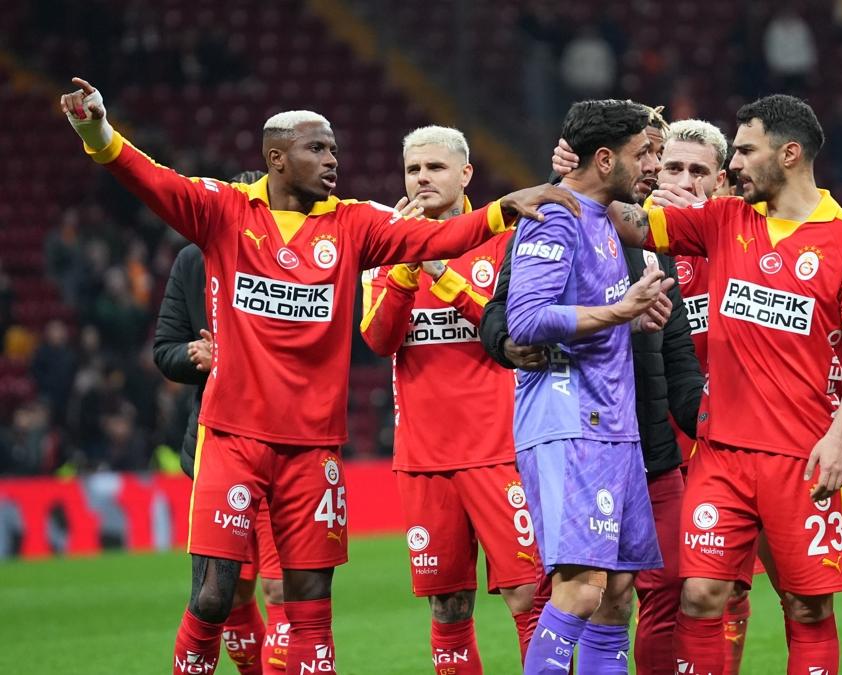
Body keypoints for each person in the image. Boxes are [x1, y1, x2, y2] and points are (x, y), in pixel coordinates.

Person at [61, 76, 577, 675]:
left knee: (309, 607)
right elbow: (151, 178)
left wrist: (503, 209)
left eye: (334, 149)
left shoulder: (356, 223)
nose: (333, 160)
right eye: (317, 149)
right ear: (276, 159)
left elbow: (441, 235)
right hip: (232, 437)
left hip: (314, 449)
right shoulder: (225, 211)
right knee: (213, 597)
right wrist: (97, 130)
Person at [614, 94, 842, 675]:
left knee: (807, 606)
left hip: (803, 455)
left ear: (789, 154)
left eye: (744, 151)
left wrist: (839, 437)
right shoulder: (724, 220)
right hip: (722, 454)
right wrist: (569, 178)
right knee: (699, 595)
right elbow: (626, 221)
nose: (732, 164)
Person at [482, 112, 707, 675]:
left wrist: (632, 321)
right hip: (570, 423)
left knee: (616, 597)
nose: (654, 165)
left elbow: (594, 312)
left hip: (618, 429)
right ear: (605, 159)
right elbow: (524, 319)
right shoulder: (555, 215)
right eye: (644, 154)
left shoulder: (609, 221)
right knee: (581, 590)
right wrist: (620, 311)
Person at [357, 126, 539, 673]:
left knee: (529, 594)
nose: (422, 179)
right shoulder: (383, 249)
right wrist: (407, 265)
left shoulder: (503, 241)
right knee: (447, 605)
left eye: (435, 168)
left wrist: (443, 274)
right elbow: (378, 339)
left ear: (465, 174)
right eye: (413, 169)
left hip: (500, 451)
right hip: (424, 460)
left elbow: (515, 330)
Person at [153, 168, 289, 675]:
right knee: (225, 595)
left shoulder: (298, 259)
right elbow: (164, 349)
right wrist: (195, 355)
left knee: (280, 587)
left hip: (286, 444)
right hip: (217, 445)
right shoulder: (193, 261)